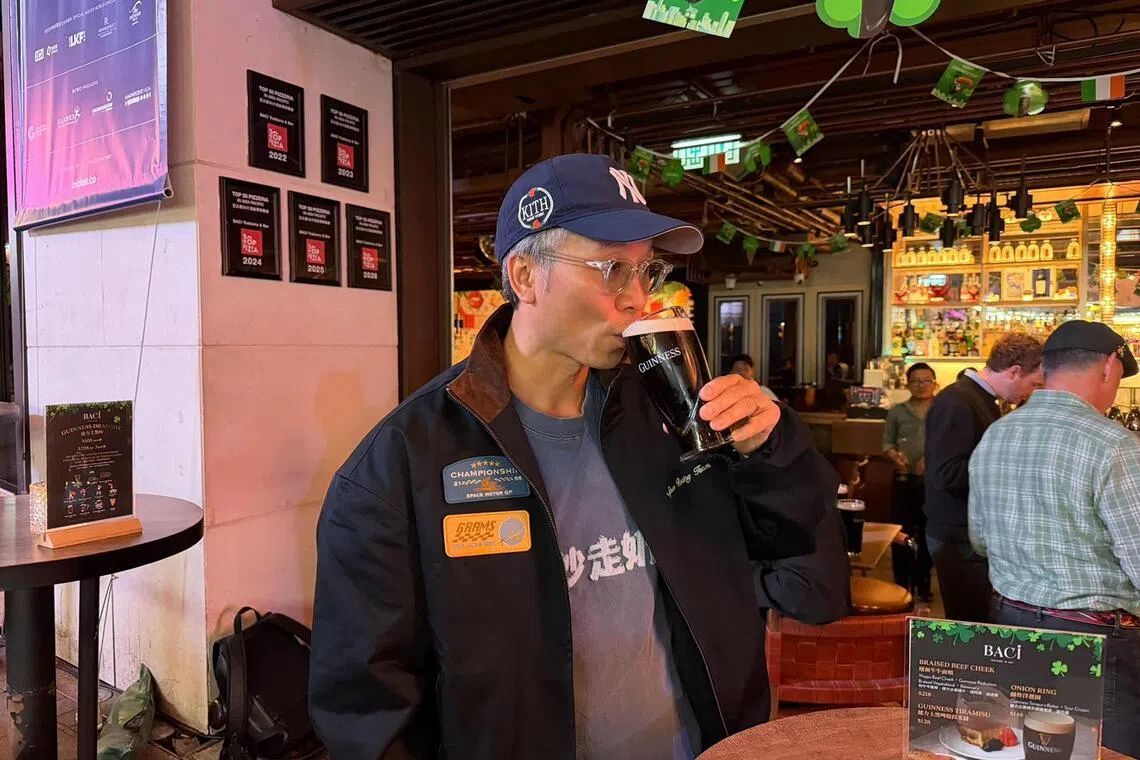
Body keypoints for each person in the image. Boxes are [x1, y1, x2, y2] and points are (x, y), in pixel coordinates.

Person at [308, 153, 836, 760]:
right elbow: (364, 707)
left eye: (648, 271)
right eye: (612, 269)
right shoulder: (405, 461)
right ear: (526, 275)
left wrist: (769, 450)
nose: (639, 299)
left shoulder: (666, 411)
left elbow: (788, 537)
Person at [968, 321, 1140, 756]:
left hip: (1012, 627)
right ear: (1108, 367)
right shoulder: (1115, 446)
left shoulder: (996, 435)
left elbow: (980, 540)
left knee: (1032, 749)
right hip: (1096, 641)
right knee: (1106, 754)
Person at [923, 333, 1044, 623]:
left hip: (967, 534)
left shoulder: (980, 399)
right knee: (969, 626)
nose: (1031, 392)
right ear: (1015, 371)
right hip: (956, 536)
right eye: (1034, 384)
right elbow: (945, 473)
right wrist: (1007, 466)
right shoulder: (958, 401)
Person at [883, 362, 936, 601]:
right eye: (916, 381)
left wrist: (933, 458)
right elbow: (887, 444)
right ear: (907, 384)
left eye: (927, 380)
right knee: (901, 532)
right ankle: (901, 584)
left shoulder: (943, 409)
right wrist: (895, 456)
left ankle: (924, 584)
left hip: (933, 483)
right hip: (903, 480)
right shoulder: (897, 411)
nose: (921, 385)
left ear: (935, 384)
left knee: (928, 533)